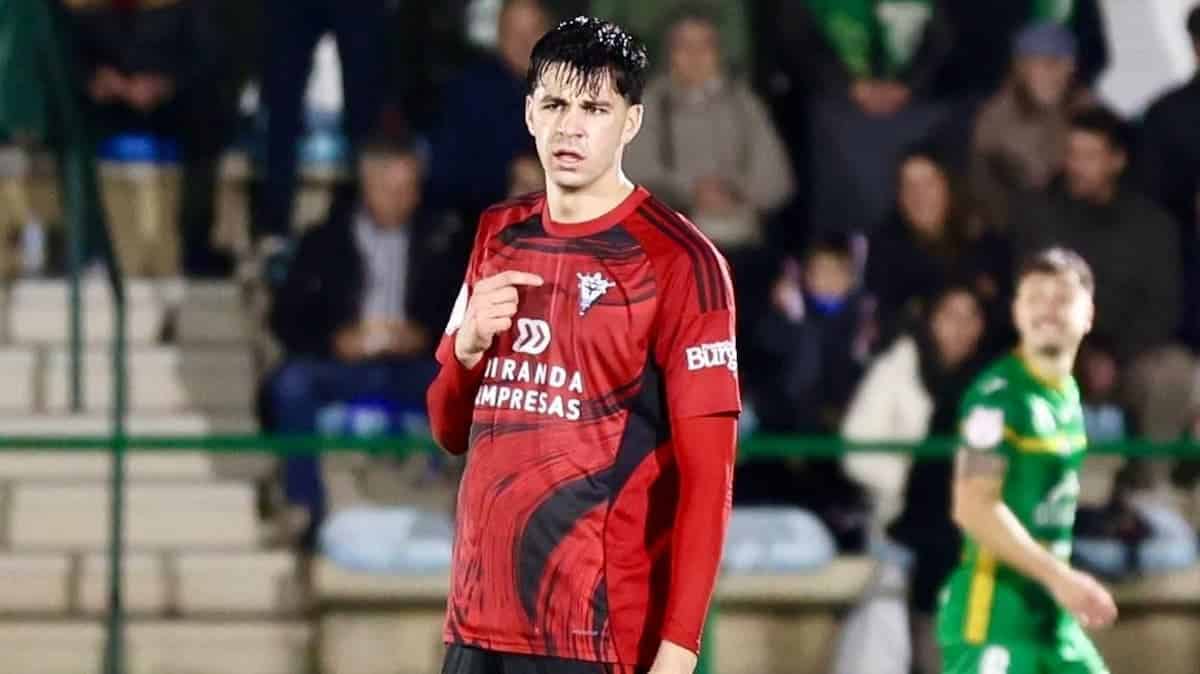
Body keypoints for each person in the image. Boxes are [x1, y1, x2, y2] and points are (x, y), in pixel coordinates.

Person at [426, 16, 740, 674]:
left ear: (630, 122)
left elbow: (709, 481)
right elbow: (448, 427)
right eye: (556, 104)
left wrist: (680, 651)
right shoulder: (497, 233)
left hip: (596, 637)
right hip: (476, 628)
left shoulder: (682, 263)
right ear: (529, 113)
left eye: (595, 107)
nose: (571, 126)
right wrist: (468, 348)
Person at [936, 248, 1117, 674]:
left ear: (1088, 313)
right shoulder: (998, 398)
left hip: (1050, 622)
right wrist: (1061, 578)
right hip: (994, 625)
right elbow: (973, 506)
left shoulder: (1067, 393)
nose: (1047, 311)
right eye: (1035, 298)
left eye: (1061, 299)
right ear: (1016, 311)